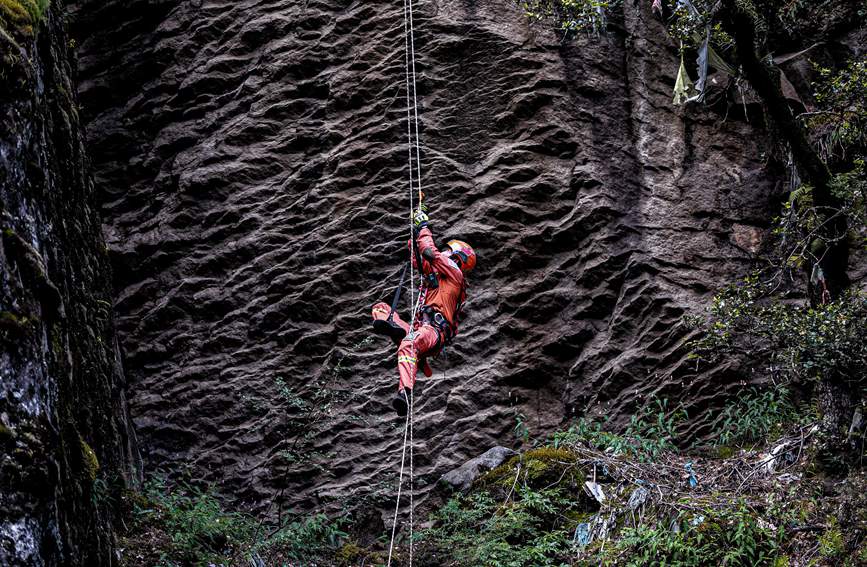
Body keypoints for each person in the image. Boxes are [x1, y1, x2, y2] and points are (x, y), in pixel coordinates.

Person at [371, 209, 476, 416]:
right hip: (421, 329)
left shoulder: (455, 274)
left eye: (447, 250)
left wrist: (423, 227)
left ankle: (405, 393)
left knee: (408, 345)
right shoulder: (438, 274)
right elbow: (418, 259)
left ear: (456, 256)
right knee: (380, 309)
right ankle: (401, 334)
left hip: (434, 332)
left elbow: (429, 252)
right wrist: (415, 233)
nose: (443, 252)